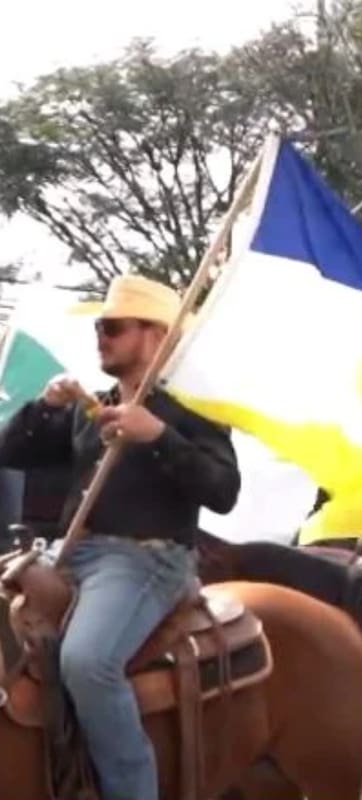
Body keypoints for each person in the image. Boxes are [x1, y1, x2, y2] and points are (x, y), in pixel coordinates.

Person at [0, 274, 241, 800]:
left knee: (87, 662)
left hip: (146, 560)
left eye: (113, 327)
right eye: (98, 326)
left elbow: (224, 491)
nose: (100, 337)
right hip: (67, 557)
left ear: (155, 335)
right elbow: (11, 452)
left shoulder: (190, 409)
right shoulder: (95, 406)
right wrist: (46, 407)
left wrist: (157, 437)